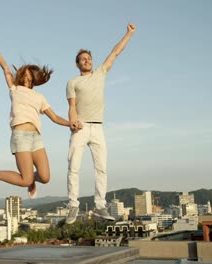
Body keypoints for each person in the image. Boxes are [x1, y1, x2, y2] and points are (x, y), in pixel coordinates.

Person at [0, 44, 77, 198]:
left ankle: (31, 179)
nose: (25, 74)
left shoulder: (40, 97)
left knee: (45, 177)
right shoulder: (14, 89)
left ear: (32, 76)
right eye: (23, 72)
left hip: (36, 138)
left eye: (28, 72)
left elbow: (55, 117)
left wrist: (70, 123)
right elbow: (5, 69)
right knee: (25, 180)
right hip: (20, 135)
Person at [65, 23, 136, 224]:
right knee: (74, 167)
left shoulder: (101, 73)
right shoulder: (73, 82)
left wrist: (128, 33)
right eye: (82, 60)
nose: (86, 61)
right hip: (80, 127)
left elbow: (116, 52)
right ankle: (72, 206)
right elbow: (72, 106)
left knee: (101, 168)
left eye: (89, 59)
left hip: (98, 128)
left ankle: (100, 205)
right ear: (77, 65)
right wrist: (72, 122)